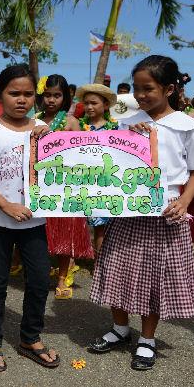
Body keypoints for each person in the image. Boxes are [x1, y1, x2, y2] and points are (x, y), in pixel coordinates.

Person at [89, 55, 194, 371]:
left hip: (166, 215)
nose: (141, 95)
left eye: (149, 89)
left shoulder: (188, 126)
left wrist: (184, 201)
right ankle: (119, 329)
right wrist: (128, 133)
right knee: (117, 270)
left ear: (170, 88)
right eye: (138, 89)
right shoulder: (128, 120)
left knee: (154, 280)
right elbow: (104, 151)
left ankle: (147, 339)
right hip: (127, 211)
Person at [0, 64, 59, 372]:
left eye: (28, 94)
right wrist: (5, 205)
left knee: (38, 279)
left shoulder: (43, 129)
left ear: (36, 96)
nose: (22, 100)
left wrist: (48, 142)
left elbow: (59, 172)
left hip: (34, 219)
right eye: (14, 93)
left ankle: (30, 338)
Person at [35, 75, 93, 299]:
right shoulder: (35, 119)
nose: (51, 100)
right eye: (47, 95)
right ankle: (40, 273)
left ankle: (62, 277)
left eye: (57, 95)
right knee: (41, 231)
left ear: (65, 97)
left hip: (64, 184)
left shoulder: (70, 122)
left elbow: (80, 155)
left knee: (63, 232)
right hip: (40, 182)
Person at [77, 83, 119, 264]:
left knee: (102, 225)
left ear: (106, 105)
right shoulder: (77, 126)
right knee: (77, 223)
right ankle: (71, 262)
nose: (89, 107)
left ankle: (100, 261)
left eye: (94, 103)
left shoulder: (116, 128)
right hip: (80, 182)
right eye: (86, 103)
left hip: (105, 183)